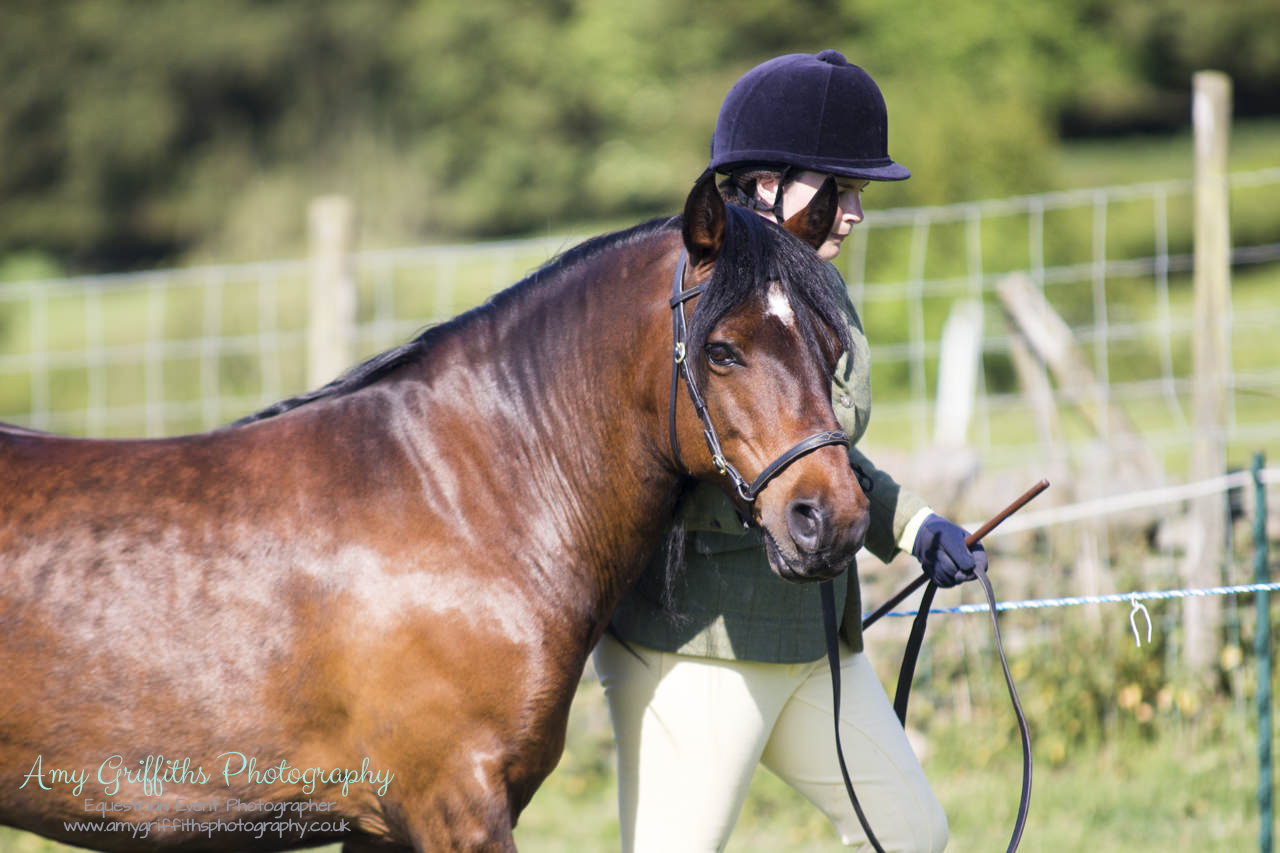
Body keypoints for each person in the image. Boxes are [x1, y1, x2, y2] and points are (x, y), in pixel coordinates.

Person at [594, 50, 987, 853]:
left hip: (814, 640)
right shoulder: (696, 295)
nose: (854, 213)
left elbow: (815, 450)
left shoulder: (812, 288)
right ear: (766, 185)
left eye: (859, 195)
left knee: (914, 835)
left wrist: (915, 528)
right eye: (840, 190)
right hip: (701, 646)